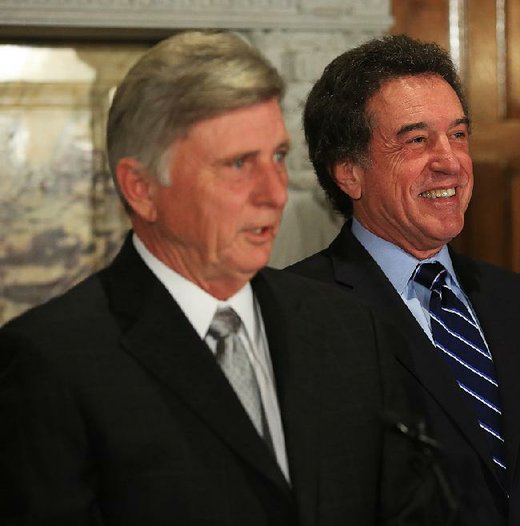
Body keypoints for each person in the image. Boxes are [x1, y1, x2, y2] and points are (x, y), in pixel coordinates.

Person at [0, 31, 446, 526]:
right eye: (238, 164)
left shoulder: (347, 328)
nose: (274, 193)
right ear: (142, 188)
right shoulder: (52, 363)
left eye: (277, 157)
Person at [289, 34, 520, 526]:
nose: (450, 161)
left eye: (458, 135)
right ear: (349, 173)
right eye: (416, 140)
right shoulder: (296, 314)